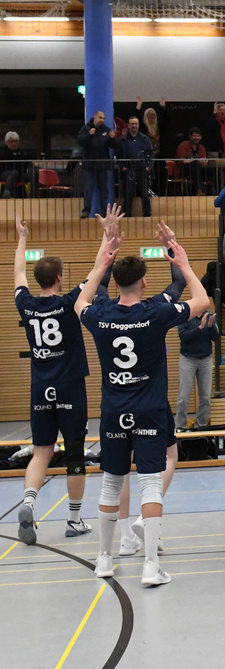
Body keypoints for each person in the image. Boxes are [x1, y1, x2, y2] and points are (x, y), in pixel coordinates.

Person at [77, 220, 209, 586]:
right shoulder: (155, 313)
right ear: (145, 282)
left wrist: (102, 261)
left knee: (110, 483)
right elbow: (201, 301)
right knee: (151, 483)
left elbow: (81, 301)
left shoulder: (100, 316)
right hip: (150, 409)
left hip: (113, 412)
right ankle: (150, 565)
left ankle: (104, 559)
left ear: (115, 283)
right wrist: (181, 260)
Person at [14, 217, 93, 544]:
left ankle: (29, 503)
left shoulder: (26, 305)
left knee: (41, 451)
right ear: (60, 278)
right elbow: (98, 273)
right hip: (70, 386)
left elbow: (18, 273)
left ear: (38, 280)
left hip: (40, 388)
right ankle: (73, 519)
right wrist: (108, 241)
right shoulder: (69, 303)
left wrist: (22, 239)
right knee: (74, 451)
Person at [174, 310, 218, 431]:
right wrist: (200, 328)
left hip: (206, 359)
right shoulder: (185, 316)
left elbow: (216, 337)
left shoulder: (209, 316)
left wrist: (210, 327)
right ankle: (181, 426)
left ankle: (201, 425)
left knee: (205, 397)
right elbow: (183, 336)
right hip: (188, 359)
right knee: (183, 395)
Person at [78, 110, 114, 217]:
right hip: (89, 166)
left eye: (103, 118)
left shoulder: (106, 130)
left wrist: (113, 139)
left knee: (104, 190)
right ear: (94, 117)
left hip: (102, 166)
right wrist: (89, 135)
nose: (102, 120)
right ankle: (86, 211)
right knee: (89, 188)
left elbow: (113, 145)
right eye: (100, 118)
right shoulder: (86, 129)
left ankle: (104, 213)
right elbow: (80, 142)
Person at [117, 116, 155, 217]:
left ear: (138, 125)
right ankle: (127, 215)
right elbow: (118, 156)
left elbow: (151, 154)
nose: (134, 126)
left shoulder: (144, 138)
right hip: (128, 170)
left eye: (136, 124)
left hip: (142, 170)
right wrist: (122, 167)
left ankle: (147, 214)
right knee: (128, 194)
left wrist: (149, 167)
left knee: (145, 194)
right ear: (128, 125)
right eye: (132, 124)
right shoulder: (123, 140)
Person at [1, 131, 32, 199]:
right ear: (7, 142)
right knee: (14, 173)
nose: (13, 143)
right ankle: (7, 192)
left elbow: (27, 163)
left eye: (15, 141)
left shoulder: (22, 152)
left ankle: (35, 195)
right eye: (11, 141)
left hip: (20, 174)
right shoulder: (2, 152)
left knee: (33, 174)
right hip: (5, 174)